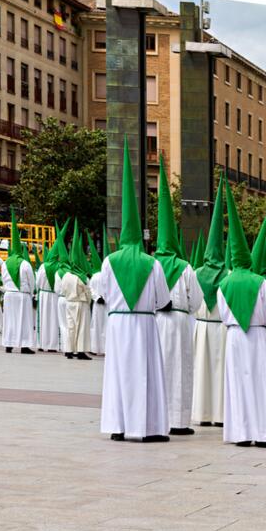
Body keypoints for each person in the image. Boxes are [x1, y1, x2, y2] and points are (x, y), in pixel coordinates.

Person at [99, 141, 171, 443]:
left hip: (117, 324)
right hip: (143, 323)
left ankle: (118, 426)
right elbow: (162, 300)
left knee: (118, 374)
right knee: (145, 375)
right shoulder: (151, 264)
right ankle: (146, 427)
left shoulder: (108, 262)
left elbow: (102, 295)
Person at [218, 179, 266, 448]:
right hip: (258, 336)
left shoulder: (224, 284)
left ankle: (242, 434)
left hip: (235, 337)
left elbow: (224, 314)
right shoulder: (261, 283)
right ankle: (264, 434)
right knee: (261, 384)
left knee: (238, 385)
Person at [153, 170, 203, 435]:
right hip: (180, 321)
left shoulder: (151, 264)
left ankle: (156, 417)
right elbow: (196, 300)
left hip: (155, 321)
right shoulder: (184, 267)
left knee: (157, 367)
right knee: (180, 370)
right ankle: (178, 421)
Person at [192, 177, 228, 428]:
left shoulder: (195, 273)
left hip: (202, 325)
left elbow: (193, 301)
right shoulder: (226, 277)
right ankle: (219, 414)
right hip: (222, 327)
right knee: (220, 372)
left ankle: (203, 413)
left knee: (202, 372)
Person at [0, 209, 36, 354]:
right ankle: (25, 345)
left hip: (9, 294)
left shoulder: (5, 263)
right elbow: (31, 281)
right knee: (24, 320)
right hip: (22, 295)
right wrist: (32, 293)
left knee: (10, 320)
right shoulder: (25, 264)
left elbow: (3, 278)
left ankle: (9, 344)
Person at [57, 220, 93, 360]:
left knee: (70, 326)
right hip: (81, 303)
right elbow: (88, 291)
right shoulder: (82, 277)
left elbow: (61, 289)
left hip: (69, 302)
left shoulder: (65, 275)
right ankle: (81, 351)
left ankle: (69, 350)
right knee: (82, 328)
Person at [36, 229, 63, 352]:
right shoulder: (60, 268)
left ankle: (43, 343)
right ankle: (53, 345)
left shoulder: (42, 267)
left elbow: (37, 283)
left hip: (43, 296)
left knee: (44, 319)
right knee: (54, 320)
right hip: (55, 296)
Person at [88, 228, 108, 356]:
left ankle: (96, 348)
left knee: (97, 326)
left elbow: (90, 289)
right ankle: (104, 349)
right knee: (104, 326)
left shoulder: (95, 276)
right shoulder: (107, 276)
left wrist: (96, 297)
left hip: (99, 303)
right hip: (106, 304)